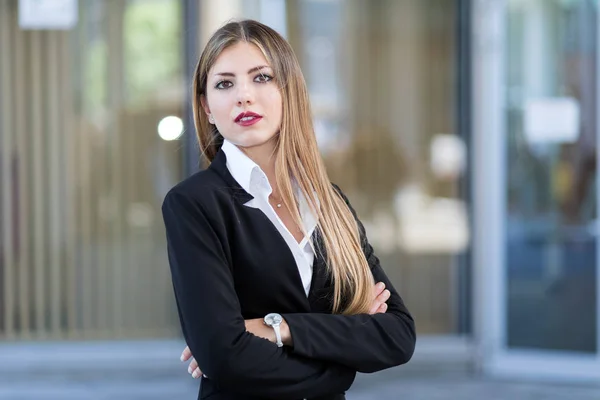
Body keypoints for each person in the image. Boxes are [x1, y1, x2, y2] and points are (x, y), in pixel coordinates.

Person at [161, 19, 416, 400]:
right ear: (207, 107)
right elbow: (224, 357)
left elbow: (397, 335)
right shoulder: (193, 204)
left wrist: (276, 328)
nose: (243, 96)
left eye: (261, 78)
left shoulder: (329, 202)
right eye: (225, 84)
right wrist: (341, 358)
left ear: (288, 91)